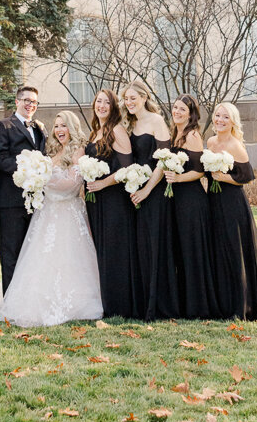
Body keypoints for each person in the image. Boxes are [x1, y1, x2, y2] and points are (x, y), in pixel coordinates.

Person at [0, 111, 103, 327]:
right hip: (46, 213)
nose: (60, 130)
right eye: (57, 126)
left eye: (64, 126)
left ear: (72, 128)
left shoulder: (78, 150)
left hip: (68, 212)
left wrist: (41, 177)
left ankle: (73, 304)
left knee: (69, 260)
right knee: (39, 260)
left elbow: (72, 182)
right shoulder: (51, 149)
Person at [205, 100, 257, 322]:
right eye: (217, 115)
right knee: (218, 249)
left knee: (235, 250)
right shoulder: (210, 141)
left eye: (225, 117)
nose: (220, 120)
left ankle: (242, 303)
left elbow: (247, 176)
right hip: (213, 201)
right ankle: (222, 302)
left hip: (232, 203)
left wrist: (225, 177)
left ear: (232, 121)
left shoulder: (235, 145)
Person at [125, 80, 179, 320]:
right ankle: (143, 302)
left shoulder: (157, 122)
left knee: (157, 245)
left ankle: (161, 306)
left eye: (133, 98)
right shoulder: (130, 123)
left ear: (144, 97)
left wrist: (147, 190)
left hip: (155, 192)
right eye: (126, 99)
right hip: (136, 192)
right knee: (142, 246)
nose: (129, 103)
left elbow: (164, 160)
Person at [82, 88, 138, 318]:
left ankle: (120, 305)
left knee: (115, 250)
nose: (102, 106)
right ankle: (105, 302)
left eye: (107, 103)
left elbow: (127, 168)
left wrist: (103, 184)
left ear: (114, 107)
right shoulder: (95, 130)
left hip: (114, 199)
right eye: (98, 102)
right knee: (101, 250)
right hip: (95, 200)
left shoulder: (117, 130)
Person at [165, 94, 218, 320]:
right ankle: (184, 303)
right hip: (175, 199)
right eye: (175, 108)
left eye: (182, 110)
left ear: (191, 114)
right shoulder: (173, 133)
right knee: (180, 250)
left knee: (192, 250)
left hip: (192, 200)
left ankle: (199, 306)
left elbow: (200, 171)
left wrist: (178, 179)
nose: (177, 112)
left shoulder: (193, 135)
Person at [0, 84, 47, 293]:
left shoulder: (39, 129)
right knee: (11, 254)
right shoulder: (4, 125)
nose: (30, 105)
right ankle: (10, 301)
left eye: (34, 102)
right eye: (26, 100)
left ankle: (28, 298)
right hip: (10, 202)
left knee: (30, 253)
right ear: (17, 102)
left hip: (34, 202)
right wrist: (28, 166)